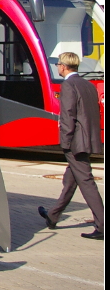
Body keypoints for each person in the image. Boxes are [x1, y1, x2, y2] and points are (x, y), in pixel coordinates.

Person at [39, 52, 104, 240]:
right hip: (88, 139)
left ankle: (102, 225)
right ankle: (53, 216)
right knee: (70, 180)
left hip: (76, 142)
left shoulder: (68, 85)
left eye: (58, 64)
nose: (58, 67)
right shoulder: (87, 85)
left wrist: (65, 141)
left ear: (64, 66)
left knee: (86, 182)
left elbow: (68, 115)